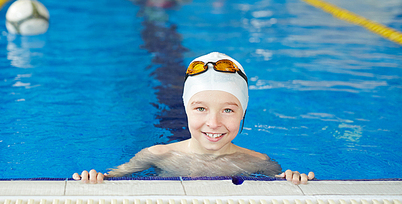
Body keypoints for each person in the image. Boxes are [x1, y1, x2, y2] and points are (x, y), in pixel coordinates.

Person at [73, 52, 315, 184]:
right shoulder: (157, 155)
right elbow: (111, 177)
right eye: (201, 109)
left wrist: (293, 179)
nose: (213, 123)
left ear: (243, 113)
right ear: (186, 109)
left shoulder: (259, 162)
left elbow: (279, 185)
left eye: (228, 110)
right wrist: (95, 178)